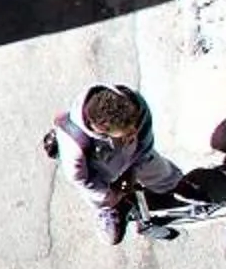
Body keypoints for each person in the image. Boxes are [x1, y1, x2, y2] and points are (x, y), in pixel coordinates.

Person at [44, 82, 182, 244]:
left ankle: (172, 185)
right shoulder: (74, 147)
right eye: (127, 130)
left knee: (168, 179)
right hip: (101, 173)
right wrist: (113, 195)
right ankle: (110, 209)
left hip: (136, 155)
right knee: (102, 200)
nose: (133, 131)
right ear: (101, 128)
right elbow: (84, 181)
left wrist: (133, 172)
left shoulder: (134, 103)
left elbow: (145, 140)